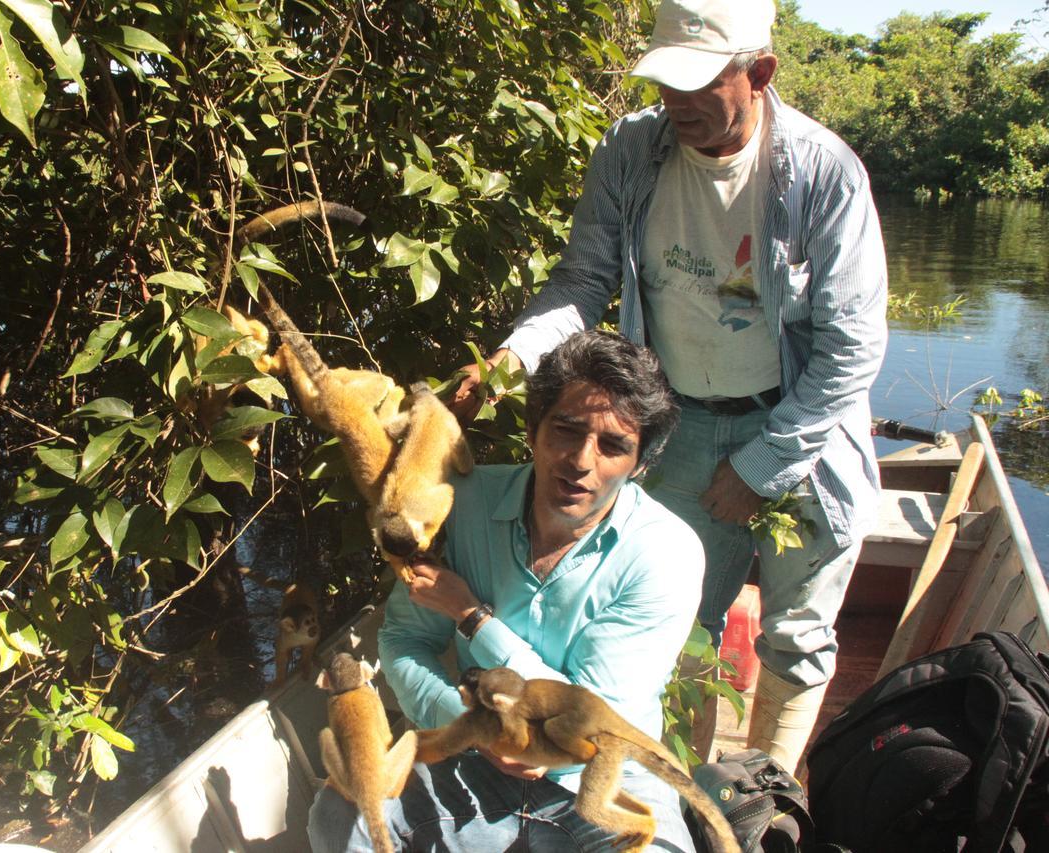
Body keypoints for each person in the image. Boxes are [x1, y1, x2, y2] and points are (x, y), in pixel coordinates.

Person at [451, 0, 888, 774]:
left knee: (797, 636)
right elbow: (582, 281)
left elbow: (851, 351)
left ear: (759, 74)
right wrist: (510, 360)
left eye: (700, 83)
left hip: (803, 429)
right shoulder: (631, 151)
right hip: (681, 426)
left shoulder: (824, 174)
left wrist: (760, 470)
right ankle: (699, 796)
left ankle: (766, 806)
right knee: (684, 626)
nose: (676, 104)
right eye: (666, 84)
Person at [308, 330, 703, 851]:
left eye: (613, 446)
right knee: (341, 816)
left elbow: (588, 720)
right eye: (566, 430)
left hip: (600, 780)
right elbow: (404, 640)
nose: (582, 461)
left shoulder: (665, 552)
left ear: (640, 465)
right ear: (533, 431)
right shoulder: (462, 502)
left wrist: (473, 617)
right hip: (477, 761)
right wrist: (469, 727)